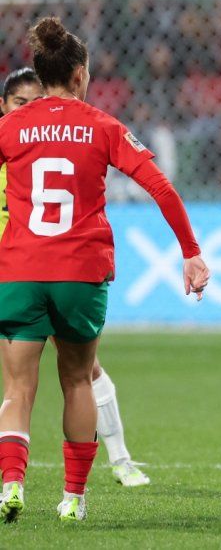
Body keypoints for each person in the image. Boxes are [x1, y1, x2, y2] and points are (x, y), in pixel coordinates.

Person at [0, 17, 210, 523]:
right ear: (78, 76)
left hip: (21, 269)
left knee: (17, 388)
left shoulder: (9, 126)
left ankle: (10, 485)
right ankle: (73, 498)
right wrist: (190, 250)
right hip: (81, 272)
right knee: (77, 381)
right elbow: (161, 187)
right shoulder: (103, 125)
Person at [0, 67, 151, 489]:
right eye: (21, 105)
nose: (32, 112)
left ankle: (120, 458)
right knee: (69, 375)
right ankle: (81, 481)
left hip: (28, 273)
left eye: (36, 102)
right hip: (26, 272)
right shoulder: (9, 149)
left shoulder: (27, 149)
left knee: (76, 372)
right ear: (3, 106)